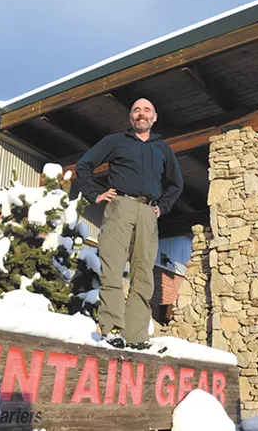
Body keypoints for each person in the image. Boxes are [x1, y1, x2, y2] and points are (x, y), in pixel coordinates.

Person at [75, 98, 183, 348]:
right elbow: (84, 165)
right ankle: (112, 328)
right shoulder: (115, 141)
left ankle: (136, 336)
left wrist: (162, 207)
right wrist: (95, 194)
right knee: (112, 268)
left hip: (148, 212)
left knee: (143, 273)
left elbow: (176, 184)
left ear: (154, 117)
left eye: (146, 110)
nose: (141, 114)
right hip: (120, 207)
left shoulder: (163, 149)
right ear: (130, 117)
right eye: (136, 110)